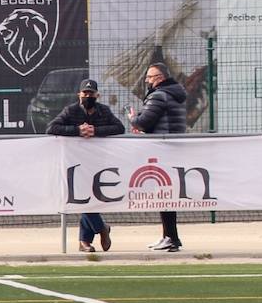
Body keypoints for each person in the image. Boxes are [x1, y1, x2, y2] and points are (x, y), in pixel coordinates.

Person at [46, 79, 125, 252]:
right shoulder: (71, 110)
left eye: (91, 93)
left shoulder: (103, 111)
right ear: (79, 95)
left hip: (98, 163)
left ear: (97, 95)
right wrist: (77, 130)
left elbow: (119, 128)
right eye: (85, 93)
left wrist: (95, 131)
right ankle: (101, 228)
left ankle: (84, 241)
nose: (88, 96)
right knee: (81, 199)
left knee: (90, 200)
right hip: (75, 163)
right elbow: (52, 128)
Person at [130, 62, 188, 252]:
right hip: (175, 149)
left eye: (150, 77)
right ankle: (169, 236)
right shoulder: (175, 95)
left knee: (164, 194)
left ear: (160, 78)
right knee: (167, 194)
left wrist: (133, 118)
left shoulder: (159, 95)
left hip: (163, 150)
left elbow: (145, 122)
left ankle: (171, 237)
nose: (147, 80)